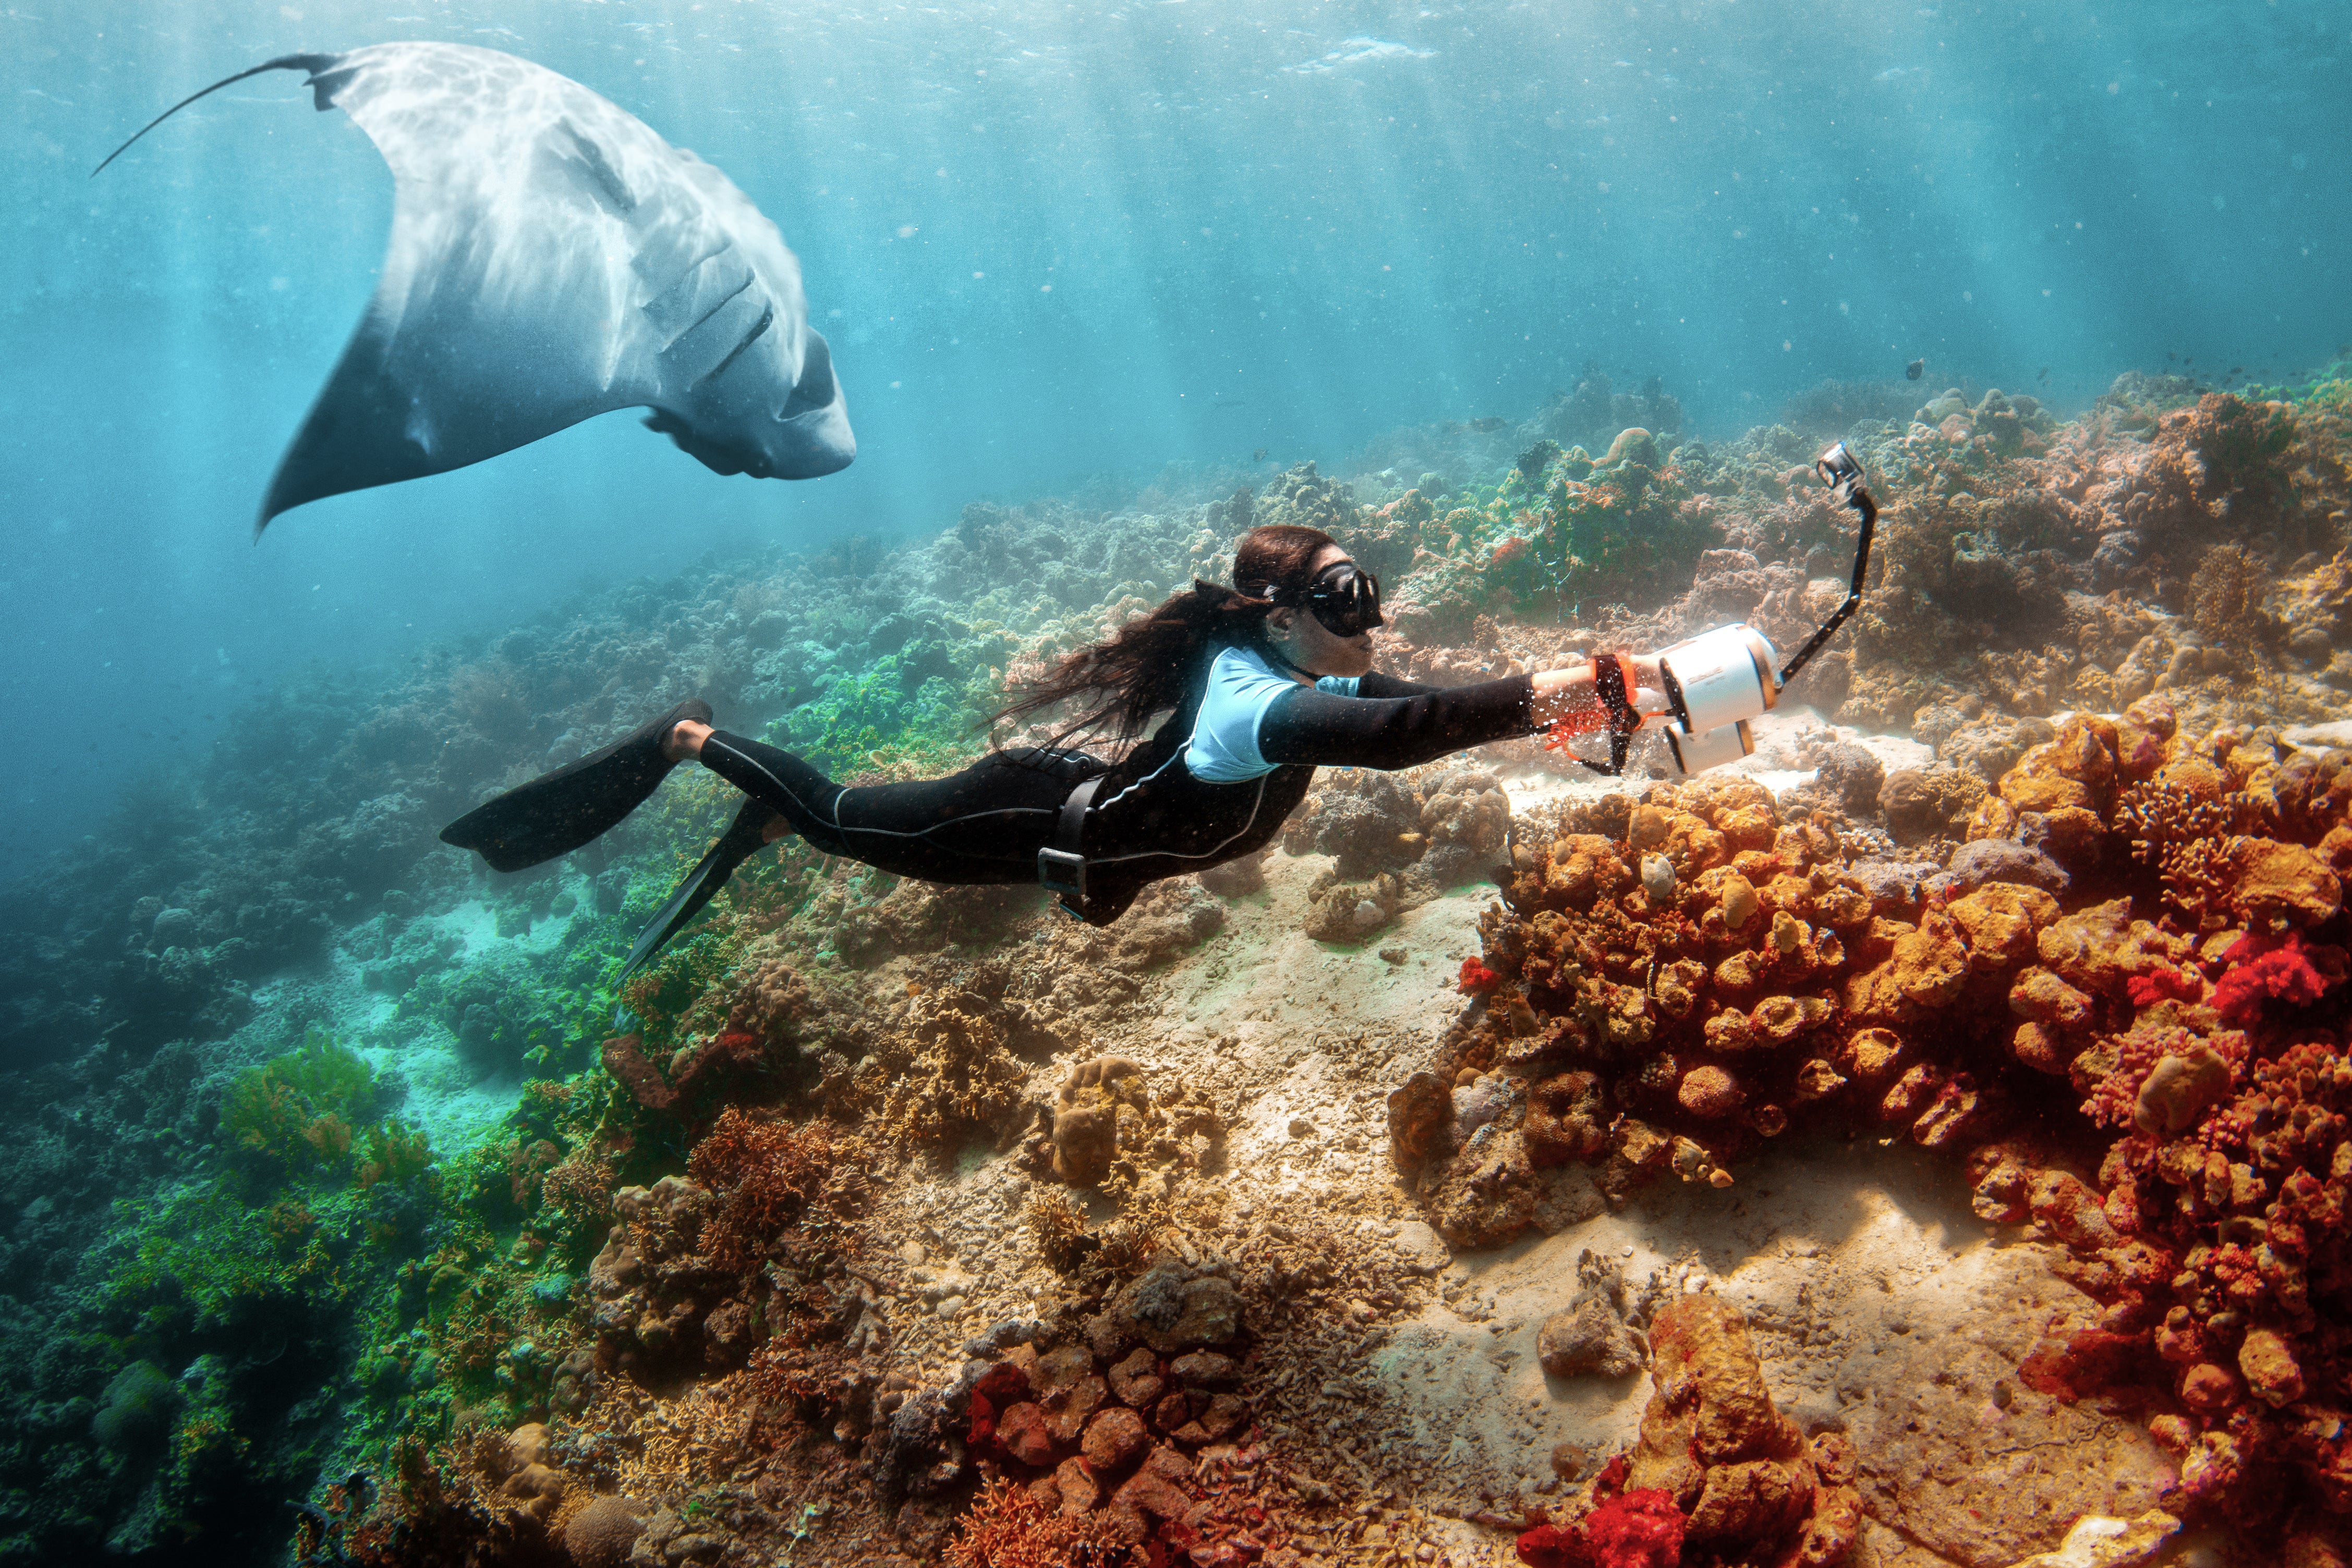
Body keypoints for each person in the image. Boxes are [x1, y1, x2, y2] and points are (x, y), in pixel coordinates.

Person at [440, 524, 1667, 979]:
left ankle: (759, 807)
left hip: (1070, 834)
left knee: (832, 824)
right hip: (1013, 822)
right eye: (1348, 597)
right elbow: (1401, 737)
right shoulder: (1258, 703)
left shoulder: (1304, 669)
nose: (1373, 621)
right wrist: (1554, 692)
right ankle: (691, 742)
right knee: (837, 822)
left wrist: (1589, 703)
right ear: (1281, 615)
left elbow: (1424, 703)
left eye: (1369, 592)